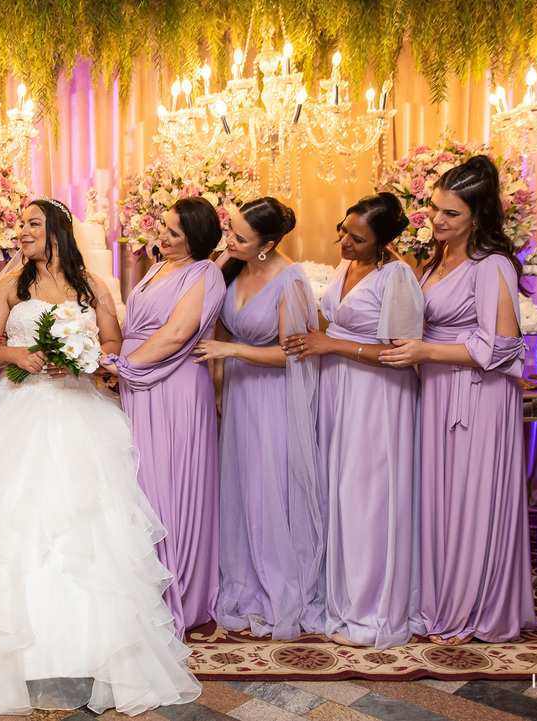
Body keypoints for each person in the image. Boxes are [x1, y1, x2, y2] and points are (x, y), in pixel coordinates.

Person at [0, 197, 201, 717]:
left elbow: (111, 341)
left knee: (87, 526)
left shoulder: (92, 288)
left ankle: (88, 648)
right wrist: (18, 355)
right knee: (6, 523)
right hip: (18, 409)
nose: (20, 231)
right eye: (19, 223)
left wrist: (90, 359)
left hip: (80, 413)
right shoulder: (10, 284)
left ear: (58, 232)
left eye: (32, 224)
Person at [379, 156, 537, 644]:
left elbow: (502, 346)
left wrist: (427, 349)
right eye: (434, 208)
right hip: (436, 389)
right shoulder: (435, 259)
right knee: (439, 500)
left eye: (451, 212)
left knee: (469, 500)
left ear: (477, 213)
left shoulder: (492, 265)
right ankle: (440, 596)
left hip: (476, 397)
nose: (437, 219)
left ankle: (472, 604)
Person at [285, 193, 424, 648]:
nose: (343, 241)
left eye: (357, 238)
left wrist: (331, 345)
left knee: (367, 497)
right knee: (337, 491)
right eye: (343, 230)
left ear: (383, 242)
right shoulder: (346, 268)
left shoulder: (398, 276)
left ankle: (372, 608)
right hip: (338, 391)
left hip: (377, 396)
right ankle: (339, 598)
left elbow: (403, 353)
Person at [192, 197, 322, 640]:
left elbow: (293, 354)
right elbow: (220, 331)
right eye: (230, 229)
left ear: (266, 244)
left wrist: (231, 353)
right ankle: (242, 580)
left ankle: (276, 585)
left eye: (239, 237)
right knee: (241, 486)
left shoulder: (291, 281)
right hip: (239, 392)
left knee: (271, 489)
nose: (228, 239)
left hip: (272, 395)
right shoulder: (230, 267)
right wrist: (219, 388)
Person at [103, 196, 225, 637]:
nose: (164, 237)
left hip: (173, 388)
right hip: (139, 382)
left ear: (196, 237)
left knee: (169, 485)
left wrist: (123, 366)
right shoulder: (157, 267)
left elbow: (176, 334)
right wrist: (118, 361)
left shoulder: (206, 273)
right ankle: (143, 591)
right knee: (140, 485)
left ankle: (181, 593)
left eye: (174, 233)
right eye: (165, 228)